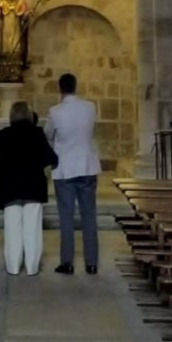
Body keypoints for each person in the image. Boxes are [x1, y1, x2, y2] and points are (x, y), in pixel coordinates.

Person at [0, 100, 56, 277]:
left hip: (10, 188)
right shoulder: (37, 133)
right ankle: (32, 267)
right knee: (32, 229)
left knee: (12, 229)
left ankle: (13, 266)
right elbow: (50, 157)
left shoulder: (3, 135)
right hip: (33, 187)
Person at [46, 72, 101, 275]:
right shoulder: (90, 108)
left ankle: (67, 262)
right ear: (75, 86)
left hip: (65, 168)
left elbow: (48, 135)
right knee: (89, 216)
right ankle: (92, 263)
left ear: (60, 89)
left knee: (66, 217)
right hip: (87, 166)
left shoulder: (55, 112)